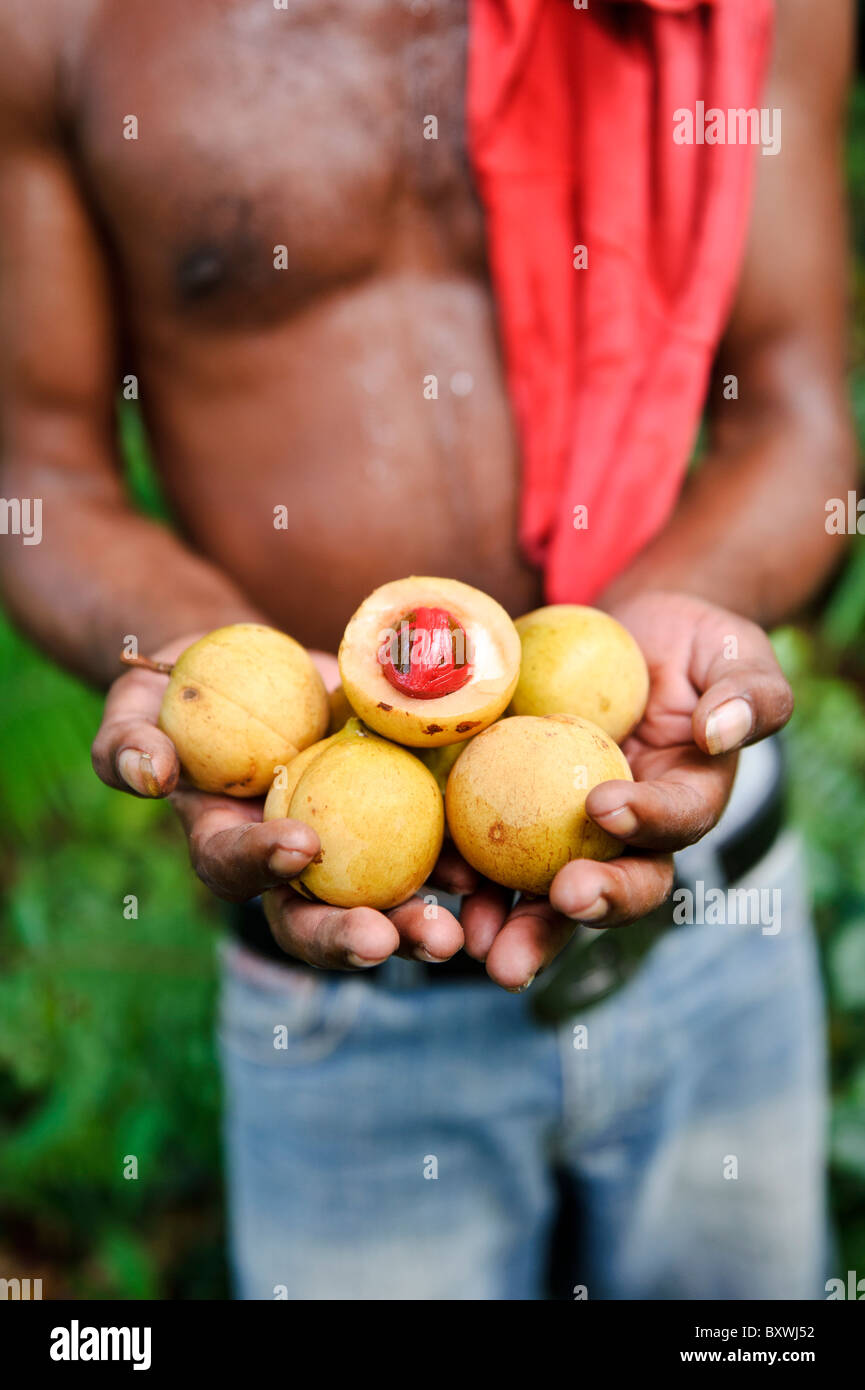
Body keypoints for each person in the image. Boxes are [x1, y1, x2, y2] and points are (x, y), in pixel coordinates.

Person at [0, 0, 856, 1299]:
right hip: (337, 976)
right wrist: (201, 662)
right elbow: (44, 471)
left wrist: (658, 635)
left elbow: (794, 407)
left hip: (709, 917)